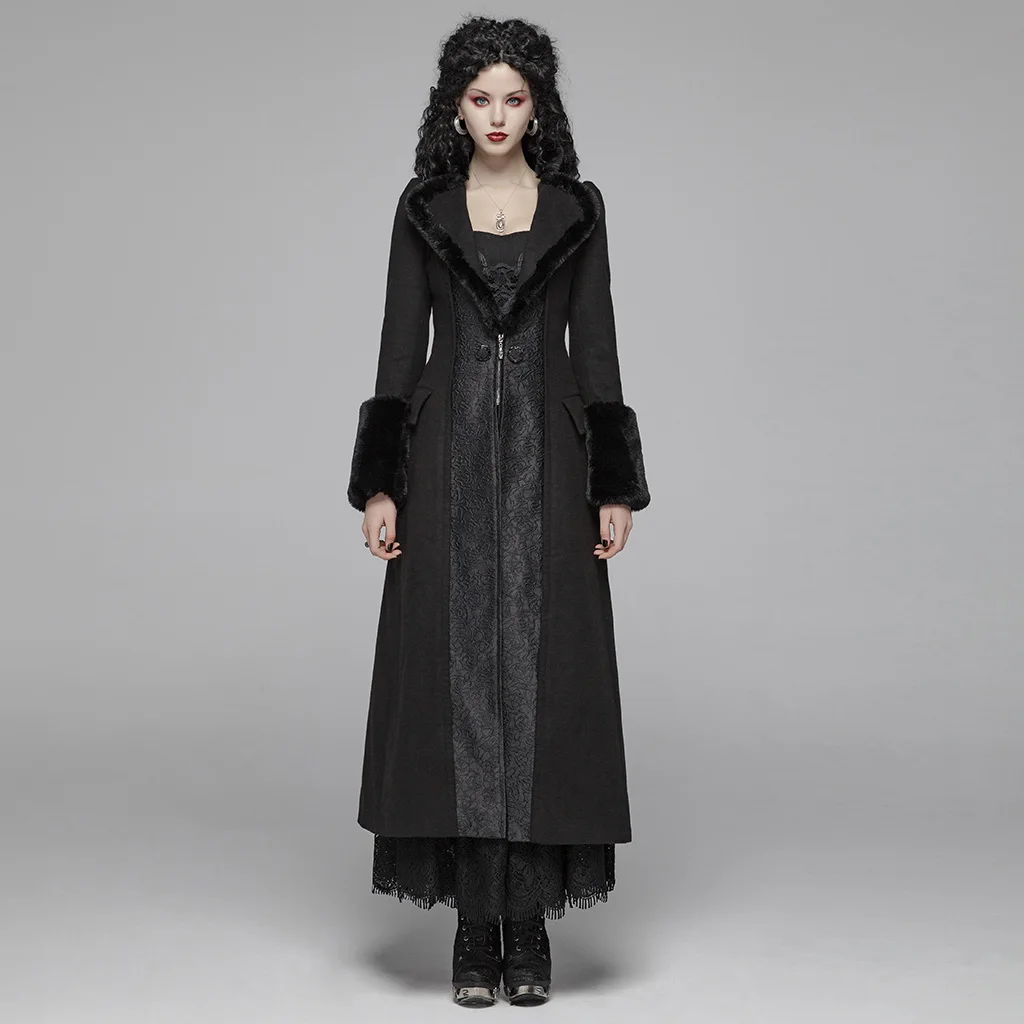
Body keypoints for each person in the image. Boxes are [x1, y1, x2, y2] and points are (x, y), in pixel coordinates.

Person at [346, 15, 651, 1007]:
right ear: (454, 107)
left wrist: (614, 482)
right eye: (479, 98)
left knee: (544, 673)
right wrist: (380, 481)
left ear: (538, 108)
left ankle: (530, 927)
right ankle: (474, 929)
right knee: (455, 675)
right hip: (443, 459)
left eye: (514, 98)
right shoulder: (424, 208)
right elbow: (400, 345)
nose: (496, 115)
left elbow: (596, 346)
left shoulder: (577, 209)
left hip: (551, 467)